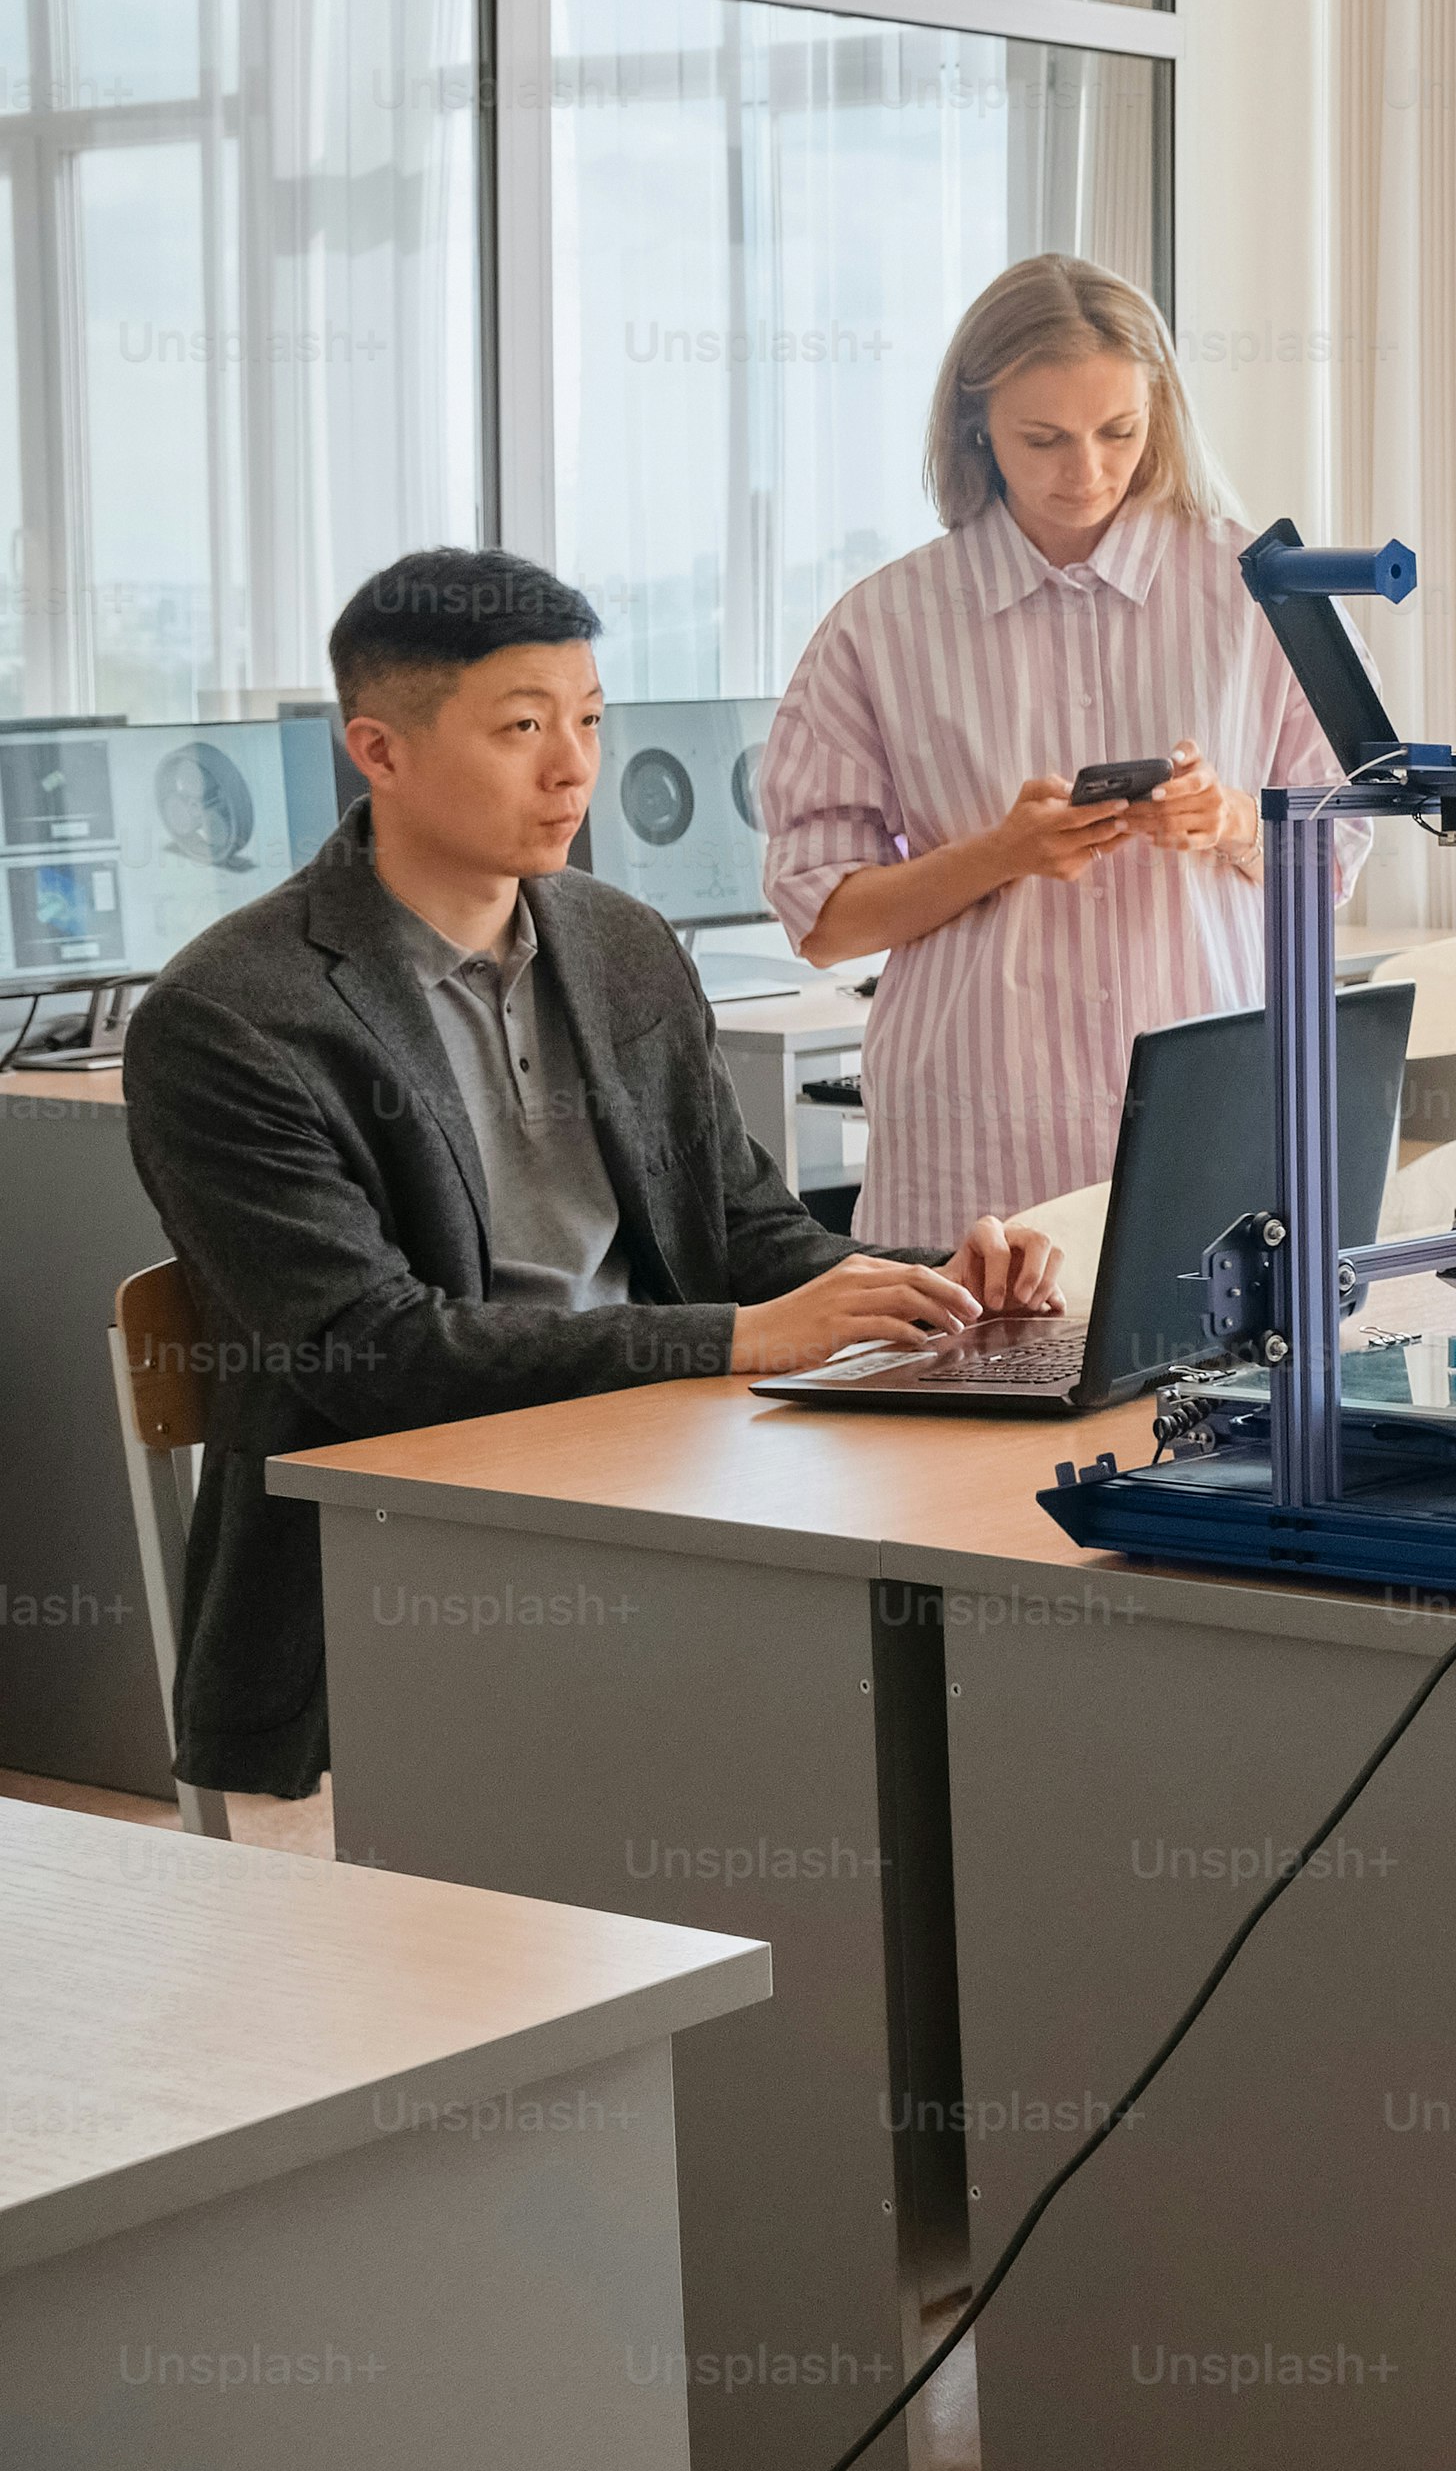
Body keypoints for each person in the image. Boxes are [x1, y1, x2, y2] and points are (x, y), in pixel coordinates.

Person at [130, 550, 1058, 1803]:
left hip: (671, 1481)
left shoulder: (617, 942)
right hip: (408, 1564)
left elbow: (742, 1228)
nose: (573, 768)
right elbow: (374, 1355)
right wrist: (734, 1339)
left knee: (960, 1688)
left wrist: (920, 1287)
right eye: (521, 728)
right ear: (380, 751)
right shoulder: (234, 1017)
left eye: (588, 722)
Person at [758, 255, 1358, 1251]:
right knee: (954, 1398)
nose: (1085, 472)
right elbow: (822, 920)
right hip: (975, 1151)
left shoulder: (1263, 596)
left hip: (1205, 1127)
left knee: (1222, 1402)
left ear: (1158, 415)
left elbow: (1337, 854)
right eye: (1044, 439)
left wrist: (1227, 822)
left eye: (1118, 433)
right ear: (975, 426)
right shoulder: (884, 624)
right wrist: (999, 855)